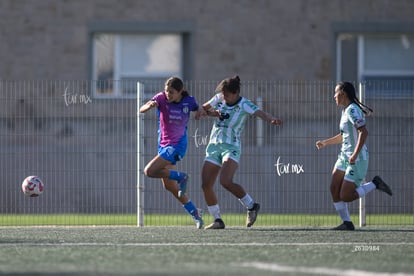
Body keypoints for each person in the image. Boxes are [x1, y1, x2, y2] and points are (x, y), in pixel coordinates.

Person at [200, 75, 283, 229]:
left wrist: (271, 119)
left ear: (236, 92)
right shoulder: (219, 98)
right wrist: (205, 112)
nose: (224, 97)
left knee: (225, 181)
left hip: (231, 147)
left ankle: (251, 206)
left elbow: (261, 113)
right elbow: (204, 108)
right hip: (213, 146)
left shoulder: (244, 104)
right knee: (206, 184)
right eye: (223, 94)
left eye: (227, 95)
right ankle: (218, 220)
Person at [316, 81, 392, 231]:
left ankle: (375, 184)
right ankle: (347, 223)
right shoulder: (345, 111)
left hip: (356, 159)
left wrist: (355, 154)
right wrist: (325, 142)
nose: (333, 96)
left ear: (343, 94)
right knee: (333, 188)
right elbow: (344, 135)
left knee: (346, 195)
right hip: (344, 156)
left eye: (335, 93)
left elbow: (363, 132)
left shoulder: (352, 110)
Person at [139, 77, 204, 229]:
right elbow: (141, 108)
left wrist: (200, 112)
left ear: (180, 92)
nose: (168, 94)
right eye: (167, 91)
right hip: (163, 146)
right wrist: (150, 105)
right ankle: (196, 213)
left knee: (149, 171)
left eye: (172, 92)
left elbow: (199, 107)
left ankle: (182, 177)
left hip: (177, 146)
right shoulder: (161, 98)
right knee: (170, 187)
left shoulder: (188, 101)